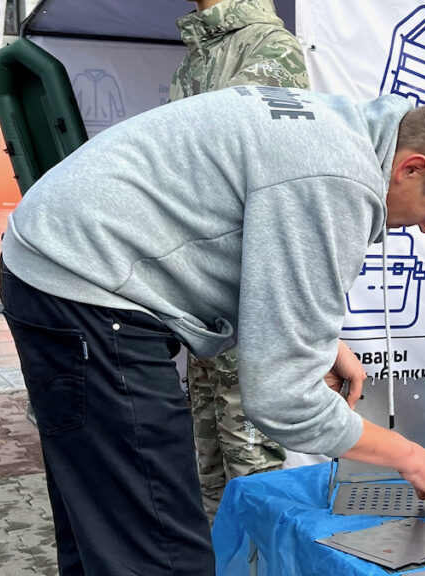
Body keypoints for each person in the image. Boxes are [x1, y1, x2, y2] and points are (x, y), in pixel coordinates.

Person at [0, 86, 425, 575]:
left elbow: (258, 257)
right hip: (87, 287)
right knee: (161, 550)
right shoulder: (336, 177)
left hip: (55, 262)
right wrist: (410, 457)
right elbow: (281, 399)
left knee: (103, 519)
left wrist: (320, 344)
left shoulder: (336, 130)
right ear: (411, 167)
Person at [171, 0, 311, 523]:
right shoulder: (198, 54)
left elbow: (275, 185)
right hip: (199, 298)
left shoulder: (269, 48)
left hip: (241, 298)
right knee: (206, 462)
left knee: (250, 472)